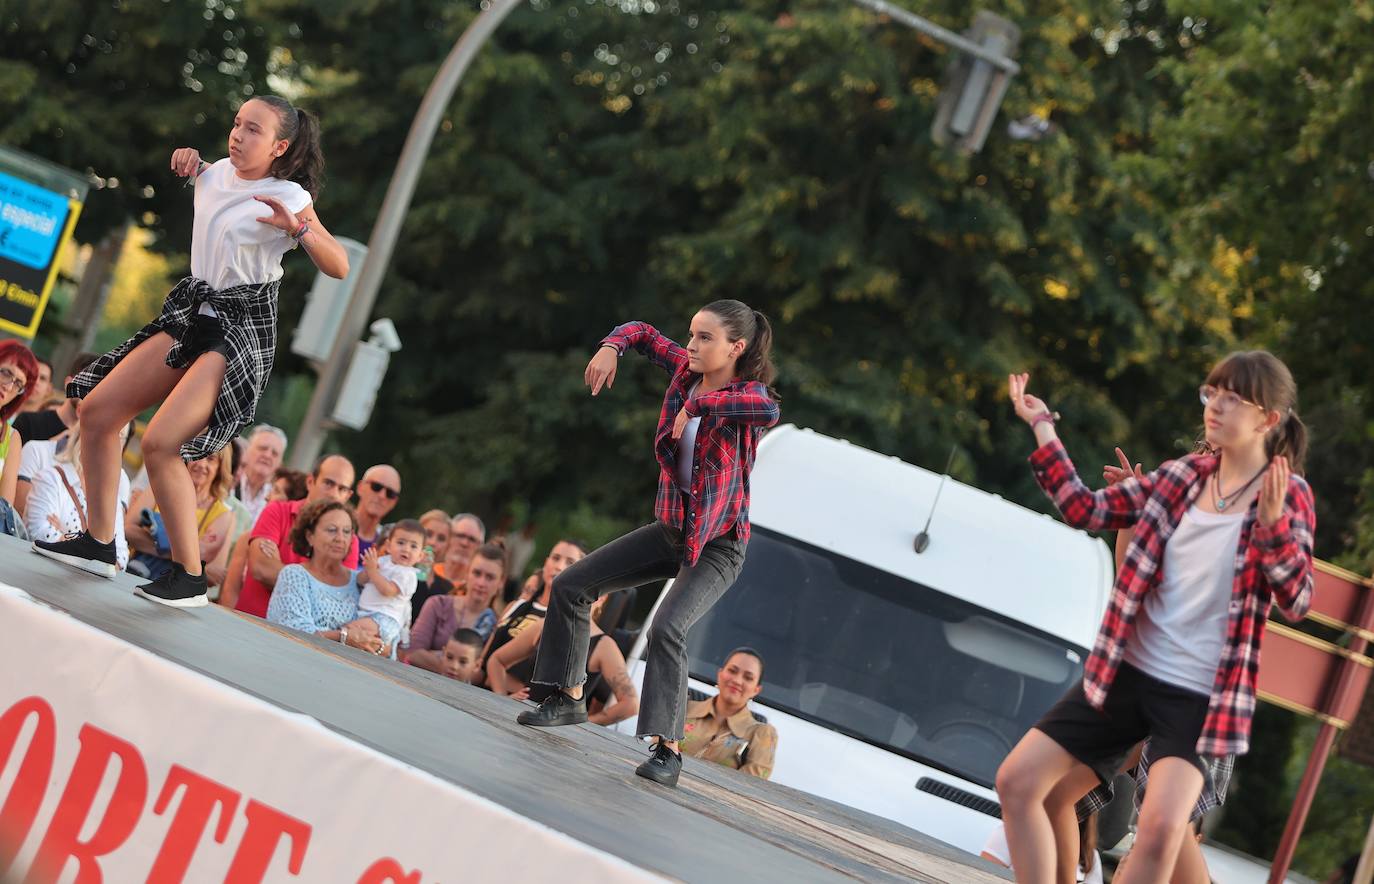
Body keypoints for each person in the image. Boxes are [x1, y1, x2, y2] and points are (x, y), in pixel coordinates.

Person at [996, 351, 1314, 884]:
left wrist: (1274, 526)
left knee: (1164, 830)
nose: (1215, 406)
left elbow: (1297, 600)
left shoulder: (1289, 495)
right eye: (1210, 392)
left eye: (1232, 398)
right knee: (1019, 782)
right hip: (1127, 673)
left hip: (1198, 698)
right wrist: (1042, 426)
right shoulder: (1181, 477)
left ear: (1267, 419)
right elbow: (1085, 508)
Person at [33, 95, 350, 608]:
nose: (239, 135)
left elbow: (339, 266)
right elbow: (208, 176)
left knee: (161, 443)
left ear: (280, 146)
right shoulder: (218, 172)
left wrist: (302, 230)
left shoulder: (288, 194)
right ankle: (97, 543)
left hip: (242, 323)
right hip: (193, 308)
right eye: (237, 124)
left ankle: (189, 576)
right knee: (97, 412)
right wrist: (190, 161)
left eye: (254, 129)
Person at [516, 300, 781, 791]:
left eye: (705, 338)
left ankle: (667, 750)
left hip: (720, 546)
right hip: (672, 530)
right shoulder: (685, 367)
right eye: (692, 334)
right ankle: (568, 696)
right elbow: (639, 330)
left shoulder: (749, 397)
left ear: (736, 347)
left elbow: (769, 409)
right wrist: (611, 346)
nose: (692, 346)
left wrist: (697, 405)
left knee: (667, 628)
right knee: (571, 585)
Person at [232, 454, 357, 617]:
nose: (333, 494)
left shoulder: (348, 539)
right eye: (328, 483)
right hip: (250, 625)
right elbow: (262, 570)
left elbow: (338, 600)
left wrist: (282, 571)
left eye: (342, 489)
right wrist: (321, 587)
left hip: (302, 638)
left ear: (347, 496)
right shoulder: (276, 511)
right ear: (310, 482)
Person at [487, 597, 639, 727]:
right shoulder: (544, 626)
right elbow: (497, 661)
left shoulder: (604, 645)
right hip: (523, 718)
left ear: (601, 598)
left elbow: (630, 704)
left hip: (559, 735)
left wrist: (584, 724)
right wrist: (503, 699)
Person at [265, 499, 384, 655]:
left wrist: (376, 645)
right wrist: (344, 637)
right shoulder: (294, 575)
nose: (340, 538)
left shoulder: (362, 581)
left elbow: (387, 638)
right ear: (310, 536)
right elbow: (294, 633)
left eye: (347, 531)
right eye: (332, 530)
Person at [24, 423, 133, 571]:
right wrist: (96, 557)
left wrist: (65, 537)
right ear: (87, 436)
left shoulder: (113, 494)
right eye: (111, 435)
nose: (115, 444)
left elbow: (120, 558)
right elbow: (41, 534)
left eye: (120, 437)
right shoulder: (51, 478)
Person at [482, 539, 588, 683]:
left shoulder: (567, 624)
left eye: (569, 562)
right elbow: (482, 661)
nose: (559, 566)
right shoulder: (516, 606)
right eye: (555, 558)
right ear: (546, 563)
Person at [125, 447, 234, 582]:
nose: (201, 464)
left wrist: (154, 537)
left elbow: (215, 575)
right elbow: (127, 530)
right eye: (197, 455)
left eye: (211, 459)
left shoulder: (222, 514)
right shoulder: (159, 488)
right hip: (134, 577)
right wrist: (190, 557)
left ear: (220, 468)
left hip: (176, 591)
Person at [216, 465, 309, 608]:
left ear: (293, 500)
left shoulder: (305, 547)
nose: (267, 497)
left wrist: (278, 565)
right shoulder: (248, 538)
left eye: (276, 491)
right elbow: (229, 593)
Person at [679, 648, 779, 780]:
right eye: (732, 671)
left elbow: (750, 786)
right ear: (720, 674)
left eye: (748, 678)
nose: (737, 680)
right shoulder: (682, 709)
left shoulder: (762, 734)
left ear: (756, 690)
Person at [406, 542, 506, 672]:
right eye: (477, 573)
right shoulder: (437, 604)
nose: (481, 583)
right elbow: (413, 652)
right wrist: (463, 670)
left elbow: (485, 674)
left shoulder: (498, 627)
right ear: (467, 572)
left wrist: (435, 658)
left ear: (501, 582)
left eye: (490, 577)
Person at [356, 518, 424, 655]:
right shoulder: (382, 561)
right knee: (356, 640)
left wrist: (373, 571)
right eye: (400, 543)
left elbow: (388, 591)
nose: (406, 549)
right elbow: (360, 581)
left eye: (413, 546)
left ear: (420, 556)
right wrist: (367, 569)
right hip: (366, 614)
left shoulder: (408, 574)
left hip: (385, 619)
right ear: (388, 545)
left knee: (348, 630)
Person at [12, 353, 95, 448]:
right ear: (69, 384)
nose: (91, 392)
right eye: (87, 383)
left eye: (98, 387)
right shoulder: (28, 422)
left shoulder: (96, 441)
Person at [0, 341, 39, 514]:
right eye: (6, 373)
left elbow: (3, 509)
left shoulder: (11, 438)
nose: (8, 387)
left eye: (18, 384)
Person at [233, 424, 287, 524]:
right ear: (247, 450)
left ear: (280, 463)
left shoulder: (277, 499)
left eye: (274, 453)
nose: (267, 455)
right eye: (263, 448)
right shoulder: (229, 480)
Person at [408, 508, 454, 619]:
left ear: (448, 546)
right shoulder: (398, 571)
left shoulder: (448, 589)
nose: (433, 542)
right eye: (429, 534)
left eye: (441, 539)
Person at [354, 464, 401, 556]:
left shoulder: (391, 551)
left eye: (390, 493)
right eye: (376, 487)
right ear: (360, 487)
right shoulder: (331, 526)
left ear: (394, 503)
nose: (382, 496)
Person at [434, 512, 484, 584]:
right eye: (460, 536)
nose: (465, 543)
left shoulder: (477, 587)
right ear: (448, 537)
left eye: (472, 539)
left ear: (480, 546)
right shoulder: (427, 573)